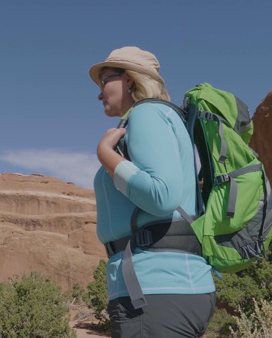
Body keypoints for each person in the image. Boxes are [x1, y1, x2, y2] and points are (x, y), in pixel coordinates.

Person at [89, 46, 216, 337]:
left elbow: (163, 196)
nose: (99, 92)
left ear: (130, 80)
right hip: (160, 288)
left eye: (105, 80)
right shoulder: (158, 117)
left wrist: (105, 155)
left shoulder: (147, 113)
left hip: (156, 287)